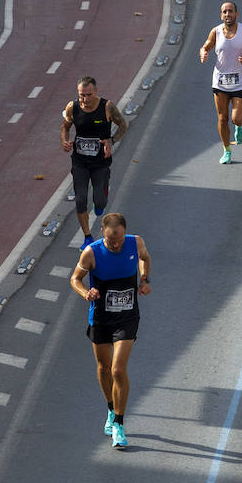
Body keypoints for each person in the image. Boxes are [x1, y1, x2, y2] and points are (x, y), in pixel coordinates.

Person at [70, 213, 151, 450]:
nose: (115, 245)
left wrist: (144, 279)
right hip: (101, 318)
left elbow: (145, 258)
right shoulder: (91, 252)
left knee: (118, 369)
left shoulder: (136, 242)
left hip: (127, 317)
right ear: (103, 235)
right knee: (104, 367)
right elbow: (75, 279)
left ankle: (119, 424)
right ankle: (110, 407)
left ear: (125, 232)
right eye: (110, 241)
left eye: (119, 240)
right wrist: (86, 293)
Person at [61, 76, 129, 241]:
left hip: (100, 162)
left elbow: (123, 125)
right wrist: (64, 141)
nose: (85, 99)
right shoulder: (72, 107)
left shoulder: (107, 107)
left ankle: (100, 199)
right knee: (80, 199)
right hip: (80, 161)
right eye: (81, 95)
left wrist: (111, 140)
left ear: (96, 91)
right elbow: (65, 127)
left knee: (100, 202)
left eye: (89, 95)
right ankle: (87, 237)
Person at [199, 0, 242, 163]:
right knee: (222, 118)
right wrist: (203, 53)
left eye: (230, 11)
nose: (228, 14)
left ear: (236, 14)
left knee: (237, 118)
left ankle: (239, 127)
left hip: (239, 82)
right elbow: (205, 47)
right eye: (225, 12)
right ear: (221, 15)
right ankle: (227, 150)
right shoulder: (215, 32)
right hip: (219, 81)